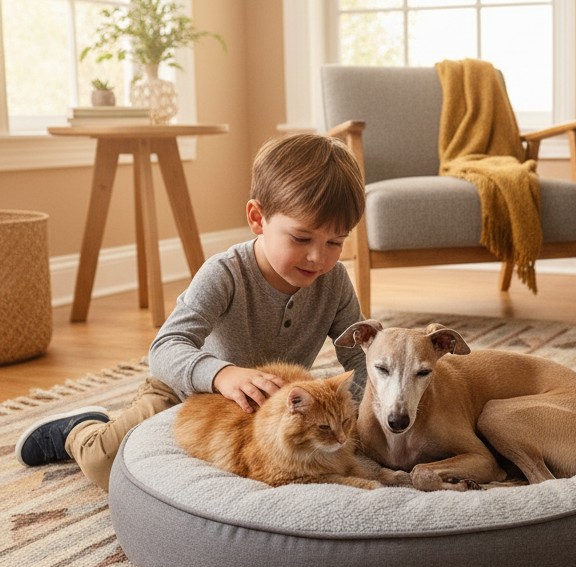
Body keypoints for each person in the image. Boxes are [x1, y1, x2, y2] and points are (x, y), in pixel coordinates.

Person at [15, 133, 369, 491]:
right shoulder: (226, 273)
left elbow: (360, 357)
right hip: (187, 395)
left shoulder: (335, 281)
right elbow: (165, 347)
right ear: (257, 218)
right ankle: (80, 430)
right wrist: (222, 375)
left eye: (335, 242)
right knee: (108, 465)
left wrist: (371, 415)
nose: (318, 257)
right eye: (302, 238)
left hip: (264, 415)